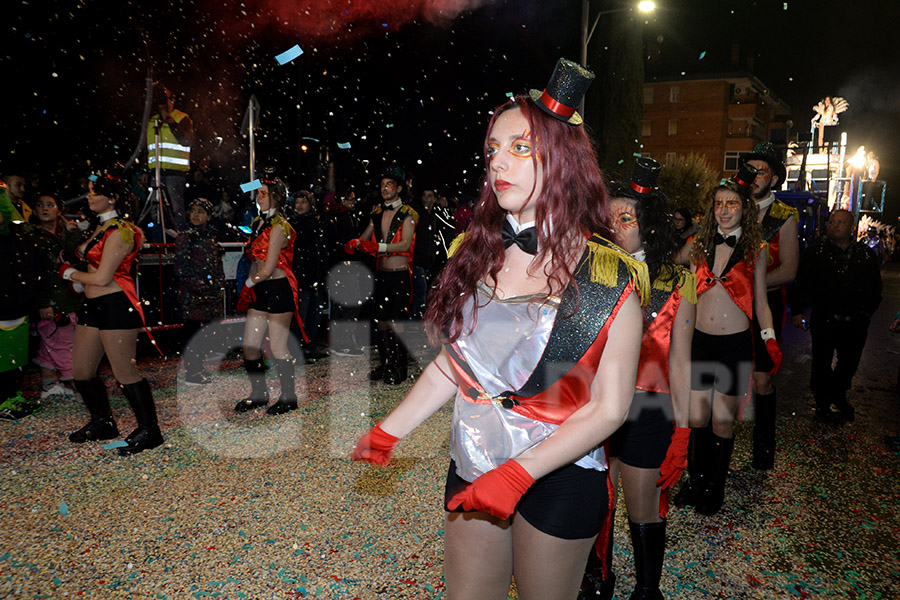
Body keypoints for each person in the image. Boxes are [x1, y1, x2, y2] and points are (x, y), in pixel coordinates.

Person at [351, 58, 647, 600]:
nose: (497, 163)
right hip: (475, 454)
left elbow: (610, 408)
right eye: (492, 149)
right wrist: (392, 428)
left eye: (519, 147)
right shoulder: (473, 253)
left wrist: (520, 473)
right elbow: (458, 366)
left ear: (561, 159)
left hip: (560, 470)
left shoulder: (610, 273)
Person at [580, 158, 695, 600]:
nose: (614, 225)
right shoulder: (594, 274)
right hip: (596, 406)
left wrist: (682, 433)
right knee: (595, 499)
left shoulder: (679, 283)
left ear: (647, 225)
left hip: (649, 408)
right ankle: (597, 579)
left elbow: (681, 365)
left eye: (625, 218)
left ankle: (648, 589)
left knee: (644, 506)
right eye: (609, 217)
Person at [674, 163, 782, 516]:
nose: (724, 210)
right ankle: (696, 481)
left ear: (744, 209)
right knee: (697, 416)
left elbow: (762, 302)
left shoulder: (757, 249)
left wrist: (769, 340)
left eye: (731, 203)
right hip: (700, 343)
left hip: (735, 346)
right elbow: (673, 273)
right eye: (719, 203)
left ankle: (715, 488)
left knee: (723, 419)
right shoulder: (698, 245)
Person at [58, 171, 164, 455]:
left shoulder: (121, 231)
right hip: (93, 306)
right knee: (81, 370)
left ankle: (150, 430)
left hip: (117, 304)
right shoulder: (98, 227)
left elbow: (104, 277)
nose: (89, 196)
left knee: (124, 371)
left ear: (113, 197)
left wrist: (70, 274)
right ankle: (102, 421)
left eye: (95, 192)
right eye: (89, 190)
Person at [790, 209, 882, 423]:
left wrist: (866, 313)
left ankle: (838, 394)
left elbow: (875, 288)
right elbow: (801, 282)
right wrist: (797, 310)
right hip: (825, 317)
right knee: (821, 361)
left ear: (851, 228)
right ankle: (822, 402)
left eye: (840, 222)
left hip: (855, 320)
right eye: (832, 221)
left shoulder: (865, 254)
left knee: (849, 362)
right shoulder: (816, 252)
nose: (835, 225)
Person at [740, 143, 799, 470]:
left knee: (762, 380)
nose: (755, 176)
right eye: (750, 170)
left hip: (768, 304)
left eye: (761, 170)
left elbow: (789, 270)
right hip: (731, 306)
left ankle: (764, 448)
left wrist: (750, 285)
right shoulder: (732, 209)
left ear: (774, 178)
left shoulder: (785, 217)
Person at [234, 177, 306, 414]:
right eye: (259, 193)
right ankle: (259, 393)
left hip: (278, 288)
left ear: (276, 196)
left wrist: (248, 283)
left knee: (278, 347)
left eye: (264, 193)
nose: (260, 197)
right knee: (250, 346)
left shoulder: (279, 226)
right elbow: (255, 260)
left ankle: (288, 396)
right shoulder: (257, 223)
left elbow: (269, 266)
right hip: (261, 288)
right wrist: (251, 285)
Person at [344, 165, 418, 385]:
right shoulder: (376, 214)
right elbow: (366, 237)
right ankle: (386, 363)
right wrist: (356, 243)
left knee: (398, 322)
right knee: (382, 322)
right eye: (383, 185)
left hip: (400, 274)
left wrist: (378, 247)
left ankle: (400, 367)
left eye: (389, 185)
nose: (385, 189)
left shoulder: (409, 214)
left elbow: (405, 244)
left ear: (399, 188)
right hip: (382, 275)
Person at [29, 193, 83, 399]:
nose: (44, 208)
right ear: (34, 210)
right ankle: (81, 389)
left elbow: (70, 259)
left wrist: (71, 235)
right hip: (53, 303)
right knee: (64, 346)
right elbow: (36, 273)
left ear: (58, 210)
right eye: (40, 205)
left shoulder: (58, 237)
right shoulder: (33, 238)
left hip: (65, 299)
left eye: (49, 205)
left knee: (50, 346)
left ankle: (50, 387)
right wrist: (44, 302)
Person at [174, 197, 225, 385]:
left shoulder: (210, 237)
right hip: (192, 295)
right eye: (193, 210)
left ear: (209, 216)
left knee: (204, 334)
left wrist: (217, 287)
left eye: (201, 211)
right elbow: (181, 268)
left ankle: (198, 368)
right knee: (192, 333)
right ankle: (192, 372)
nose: (196, 214)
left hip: (208, 295)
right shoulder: (186, 236)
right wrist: (199, 287)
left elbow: (216, 266)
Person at [0, 185, 39, 420]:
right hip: (8, 305)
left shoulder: (19, 240)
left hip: (16, 306)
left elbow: (29, 269)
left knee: (14, 357)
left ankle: (12, 397)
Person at [147, 84, 193, 231]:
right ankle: (159, 241)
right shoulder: (152, 120)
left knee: (176, 210)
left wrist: (172, 123)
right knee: (156, 211)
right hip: (156, 173)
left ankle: (179, 242)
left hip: (175, 173)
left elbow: (187, 141)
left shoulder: (182, 118)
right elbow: (147, 147)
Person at [289, 189, 328, 361]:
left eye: (303, 202)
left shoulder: (318, 223)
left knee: (314, 314)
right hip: (301, 275)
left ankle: (309, 347)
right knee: (301, 315)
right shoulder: (294, 225)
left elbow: (321, 250)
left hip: (316, 275)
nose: (299, 206)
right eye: (297, 202)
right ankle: (300, 349)